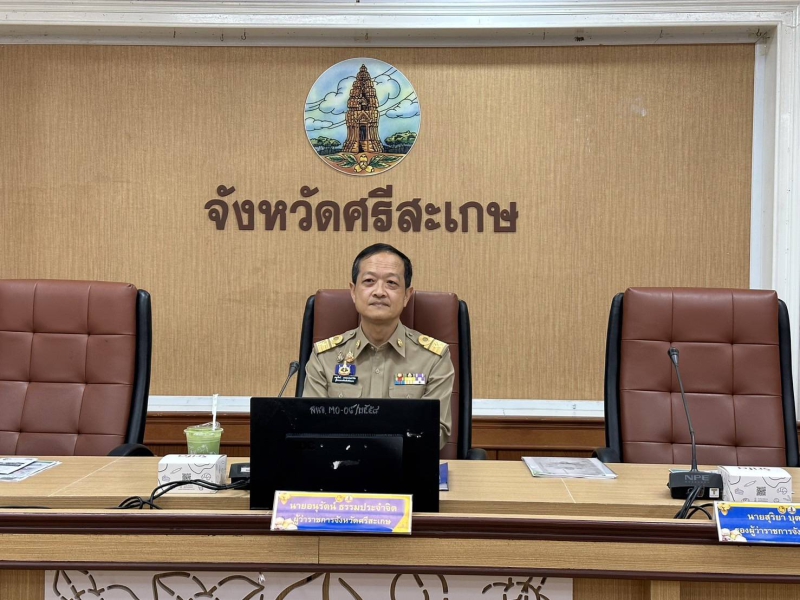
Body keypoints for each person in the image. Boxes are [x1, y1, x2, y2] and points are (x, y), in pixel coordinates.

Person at [302, 243, 454, 450]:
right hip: (340, 466)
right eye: (369, 281)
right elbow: (311, 426)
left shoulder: (434, 358)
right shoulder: (324, 357)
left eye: (391, 283)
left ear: (407, 295)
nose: (379, 292)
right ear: (353, 292)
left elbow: (435, 432)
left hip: (406, 467)